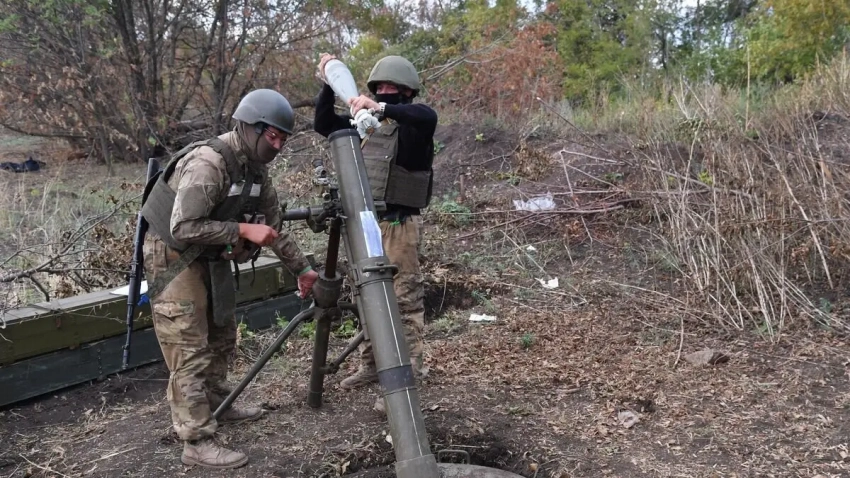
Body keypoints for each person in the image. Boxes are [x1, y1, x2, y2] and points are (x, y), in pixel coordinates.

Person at [139, 89, 319, 469]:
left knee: (222, 332)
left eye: (284, 139)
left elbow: (272, 228)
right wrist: (239, 229)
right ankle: (196, 440)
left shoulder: (255, 169)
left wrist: (301, 269)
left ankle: (219, 399)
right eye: (273, 137)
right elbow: (184, 225)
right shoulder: (209, 163)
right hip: (173, 255)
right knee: (188, 346)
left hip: (210, 252)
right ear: (250, 128)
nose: (278, 146)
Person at [312, 54, 438, 412]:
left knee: (402, 301)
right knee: (366, 299)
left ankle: (408, 372)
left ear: (405, 92)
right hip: (365, 225)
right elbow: (323, 123)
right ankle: (372, 364)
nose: (382, 92)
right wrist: (328, 83)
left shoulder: (414, 128)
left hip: (399, 226)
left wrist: (381, 106)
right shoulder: (363, 127)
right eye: (378, 87)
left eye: (390, 89)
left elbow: (427, 115)